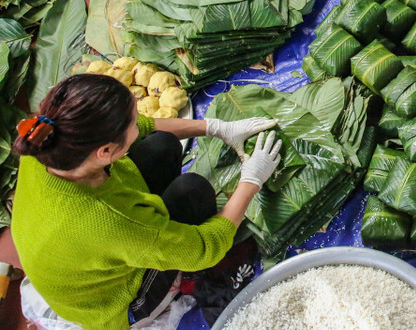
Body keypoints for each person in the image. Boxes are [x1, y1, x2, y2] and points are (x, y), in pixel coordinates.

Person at [11, 74, 282, 330]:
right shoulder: (108, 221)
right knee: (193, 192)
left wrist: (215, 128)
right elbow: (203, 247)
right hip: (117, 302)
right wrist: (252, 179)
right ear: (105, 151)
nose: (138, 120)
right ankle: (183, 282)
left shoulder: (48, 145)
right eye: (131, 120)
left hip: (82, 255)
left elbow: (144, 127)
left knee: (161, 144)